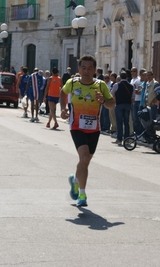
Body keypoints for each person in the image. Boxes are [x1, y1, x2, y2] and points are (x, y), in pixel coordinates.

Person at [60, 55, 115, 207]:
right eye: (83, 68)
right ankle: (82, 194)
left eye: (90, 68)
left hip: (94, 129)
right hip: (76, 126)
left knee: (85, 161)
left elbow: (111, 104)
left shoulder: (101, 85)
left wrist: (103, 101)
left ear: (95, 70)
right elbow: (62, 93)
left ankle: (75, 181)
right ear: (79, 69)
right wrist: (63, 108)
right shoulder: (72, 83)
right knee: (84, 158)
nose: (86, 71)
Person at [111, 71, 134, 145]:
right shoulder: (131, 86)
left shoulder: (116, 85)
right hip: (127, 105)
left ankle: (119, 139)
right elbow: (133, 98)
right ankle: (127, 139)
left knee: (119, 122)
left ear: (120, 77)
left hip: (119, 105)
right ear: (126, 77)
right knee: (126, 122)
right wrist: (130, 104)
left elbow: (112, 94)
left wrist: (115, 99)